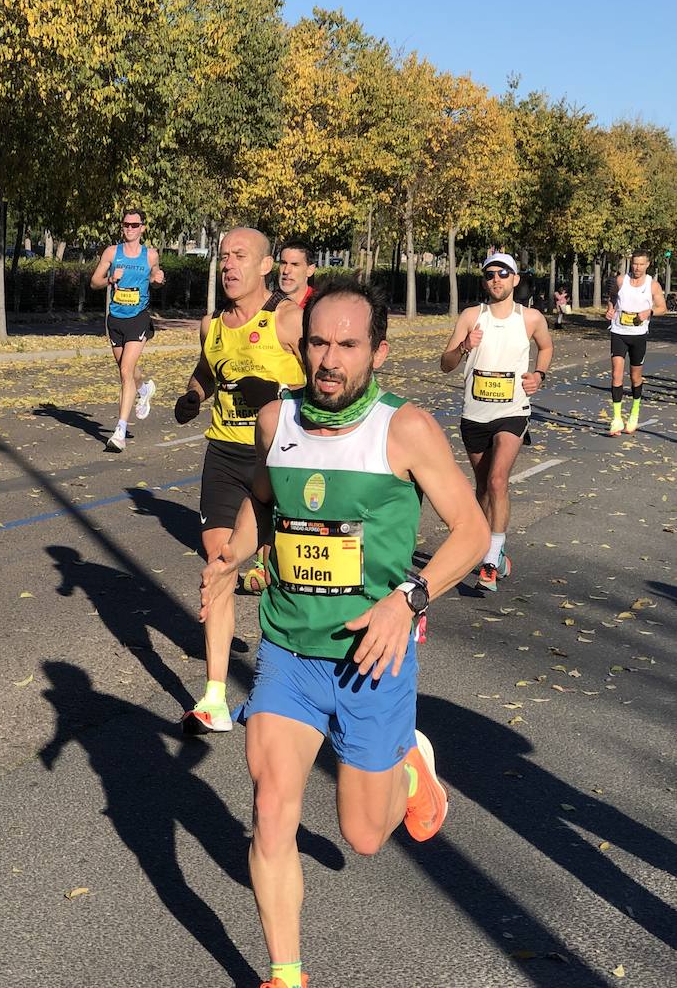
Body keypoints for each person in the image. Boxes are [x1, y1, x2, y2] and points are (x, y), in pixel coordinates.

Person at [202, 279, 489, 988]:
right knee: (270, 808)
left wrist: (409, 598)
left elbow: (474, 531)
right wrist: (233, 556)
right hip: (290, 652)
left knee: (364, 835)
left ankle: (410, 766)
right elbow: (265, 506)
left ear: (378, 352)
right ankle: (287, 974)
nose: (329, 359)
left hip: (372, 653)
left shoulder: (406, 429)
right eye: (318, 343)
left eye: (347, 345)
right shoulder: (276, 421)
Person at [174, 227, 304, 733]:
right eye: (223, 257)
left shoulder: (290, 320)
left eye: (240, 257)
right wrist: (192, 395)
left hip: (281, 456)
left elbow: (328, 390)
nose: (228, 265)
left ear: (266, 265)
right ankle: (214, 698)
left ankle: (286, 683)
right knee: (220, 565)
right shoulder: (212, 325)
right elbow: (207, 371)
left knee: (289, 573)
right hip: (225, 454)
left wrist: (273, 390)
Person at [439, 253, 552, 591]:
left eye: (503, 274)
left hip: (513, 411)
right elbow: (445, 364)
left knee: (499, 480)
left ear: (515, 279)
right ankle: (495, 555)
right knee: (484, 487)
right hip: (474, 414)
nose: (496, 280)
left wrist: (539, 376)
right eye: (489, 275)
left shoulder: (530, 318)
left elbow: (545, 348)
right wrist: (463, 346)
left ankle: (490, 561)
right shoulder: (472, 316)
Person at [89, 208, 164, 452]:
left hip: (138, 318)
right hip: (116, 319)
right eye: (126, 225)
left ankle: (119, 431)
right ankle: (145, 389)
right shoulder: (112, 252)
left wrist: (158, 277)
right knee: (127, 370)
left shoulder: (150, 254)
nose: (130, 229)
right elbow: (94, 282)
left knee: (125, 370)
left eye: (134, 225)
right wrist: (110, 279)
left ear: (143, 227)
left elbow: (155, 273)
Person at [605, 249, 666, 436]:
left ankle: (634, 412)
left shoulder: (652, 285)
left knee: (635, 377)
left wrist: (649, 312)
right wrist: (610, 310)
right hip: (619, 331)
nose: (637, 267)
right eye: (634, 263)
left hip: (639, 334)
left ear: (648, 264)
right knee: (616, 374)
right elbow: (612, 297)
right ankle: (616, 419)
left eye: (641, 264)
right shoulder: (621, 281)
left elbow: (663, 307)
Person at [276, 241, 317, 307]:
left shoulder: (320, 306)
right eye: (283, 263)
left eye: (295, 264)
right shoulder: (265, 303)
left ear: (310, 270)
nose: (286, 271)